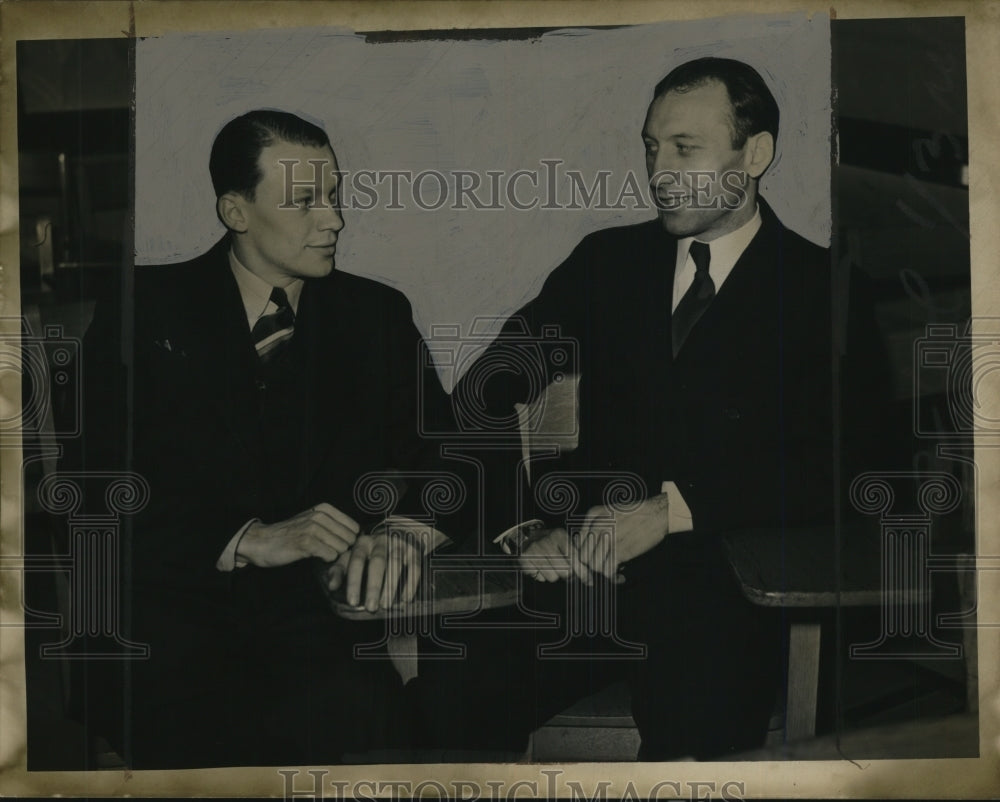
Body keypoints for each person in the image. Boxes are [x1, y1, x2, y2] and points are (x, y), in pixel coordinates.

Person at [415, 57, 893, 760]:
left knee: (692, 739)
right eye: (651, 148)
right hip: (580, 578)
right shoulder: (606, 263)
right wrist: (520, 527)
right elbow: (482, 393)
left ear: (754, 154)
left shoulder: (826, 292)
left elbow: (857, 466)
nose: (660, 172)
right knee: (449, 690)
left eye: (684, 149)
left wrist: (674, 509)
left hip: (728, 594)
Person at [65, 109, 457, 768]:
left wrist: (405, 532)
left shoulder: (376, 315)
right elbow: (91, 482)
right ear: (236, 211)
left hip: (318, 626)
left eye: (333, 195)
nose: (333, 219)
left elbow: (449, 454)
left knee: (374, 725)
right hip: (171, 622)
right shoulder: (144, 309)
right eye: (304, 202)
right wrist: (245, 539)